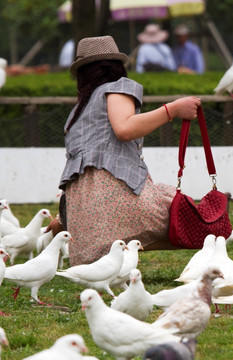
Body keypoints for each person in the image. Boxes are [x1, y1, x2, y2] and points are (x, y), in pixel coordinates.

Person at [58, 35, 201, 265]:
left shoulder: (76, 114)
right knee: (188, 217)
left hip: (84, 217)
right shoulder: (118, 87)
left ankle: (119, 249)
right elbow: (124, 128)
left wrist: (64, 217)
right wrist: (172, 109)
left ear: (83, 74)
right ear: (117, 67)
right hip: (116, 199)